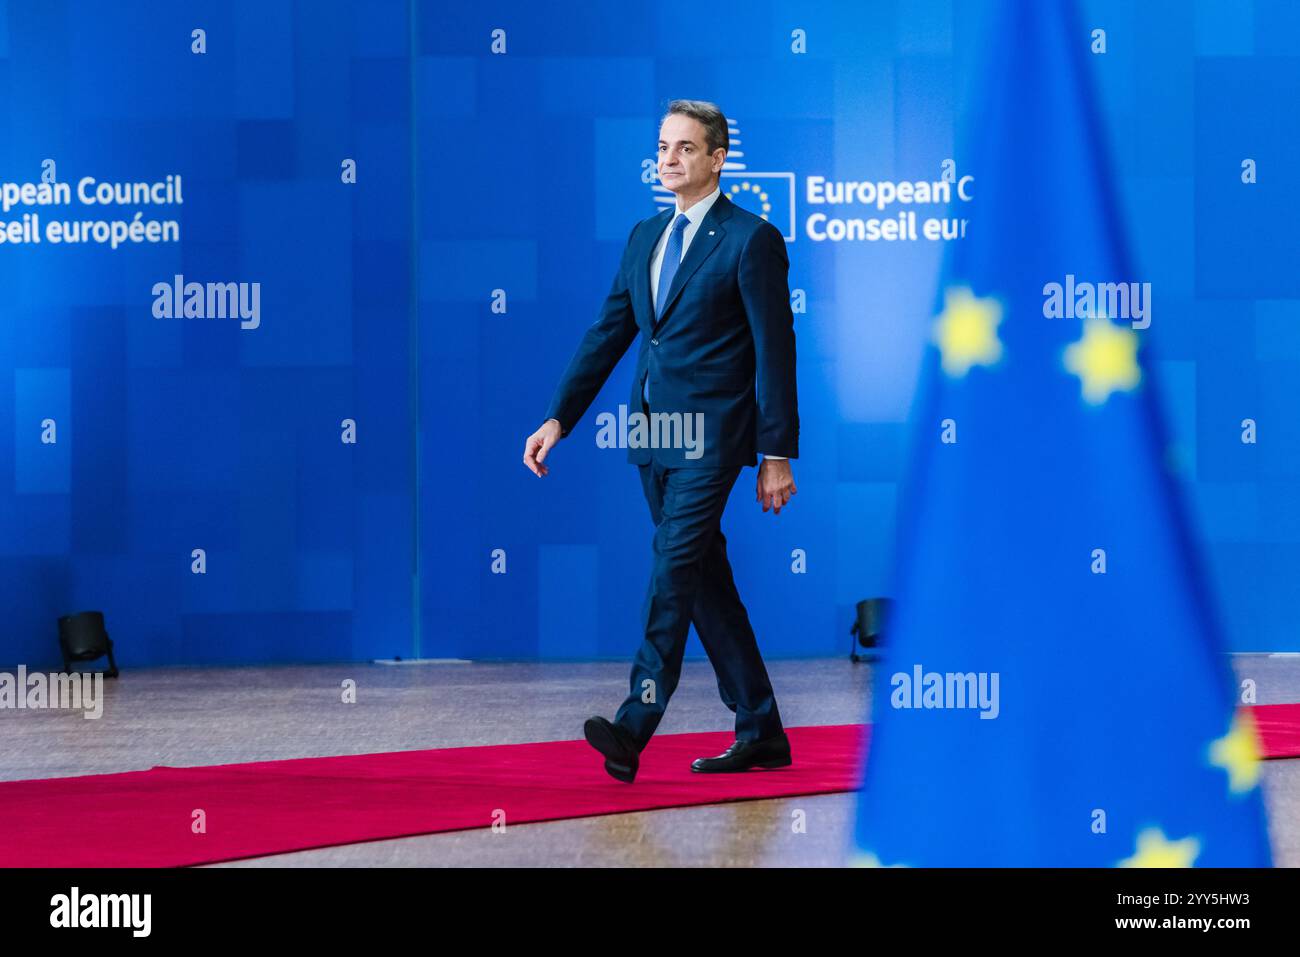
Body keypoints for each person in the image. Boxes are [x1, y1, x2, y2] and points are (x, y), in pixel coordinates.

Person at [522, 99, 799, 783]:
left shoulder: (749, 238)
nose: (669, 158)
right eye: (663, 146)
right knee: (704, 581)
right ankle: (760, 727)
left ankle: (633, 721)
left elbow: (776, 350)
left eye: (684, 147)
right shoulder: (646, 235)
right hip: (652, 436)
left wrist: (775, 453)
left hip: (711, 439)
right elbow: (609, 332)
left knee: (672, 570)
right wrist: (560, 416)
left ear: (717, 157)